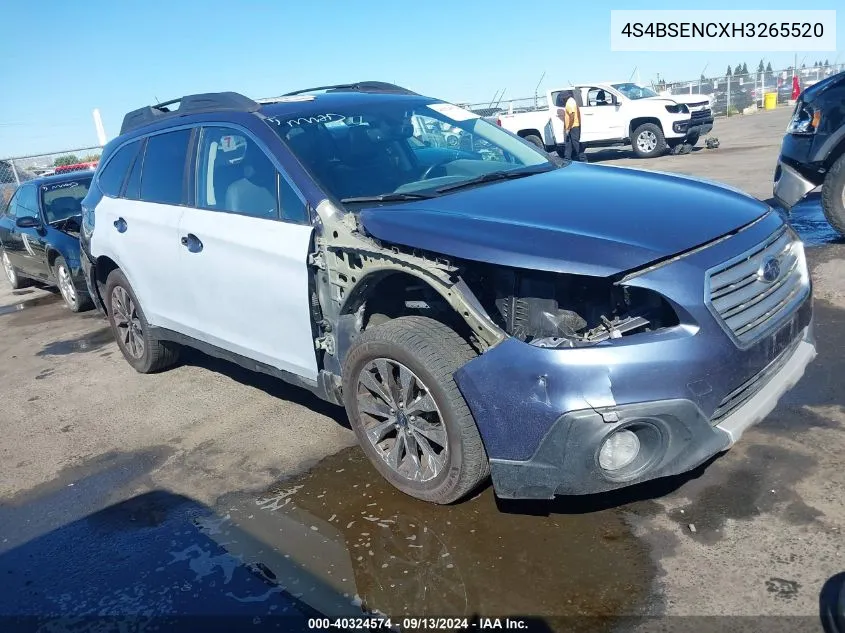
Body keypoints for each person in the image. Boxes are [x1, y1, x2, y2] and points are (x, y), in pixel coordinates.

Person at [556, 90, 585, 162]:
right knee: (569, 143)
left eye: (562, 98)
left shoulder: (570, 103)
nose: (562, 100)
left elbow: (572, 115)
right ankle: (567, 158)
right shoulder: (571, 101)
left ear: (564, 98)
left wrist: (569, 127)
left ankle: (583, 158)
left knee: (575, 143)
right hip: (572, 126)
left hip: (573, 126)